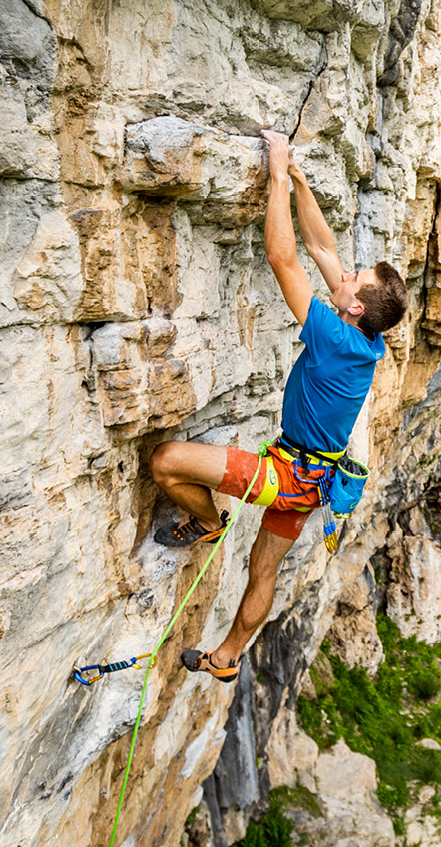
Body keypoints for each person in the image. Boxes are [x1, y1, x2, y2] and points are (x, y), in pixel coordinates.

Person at [148, 128, 407, 683]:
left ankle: (207, 521)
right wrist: (299, 179)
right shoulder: (367, 336)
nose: (345, 272)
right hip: (313, 479)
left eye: (354, 279)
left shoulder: (335, 337)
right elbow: (322, 248)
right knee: (262, 571)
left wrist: (273, 177)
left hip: (286, 475)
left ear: (356, 305)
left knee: (166, 461)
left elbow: (283, 256)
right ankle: (227, 658)